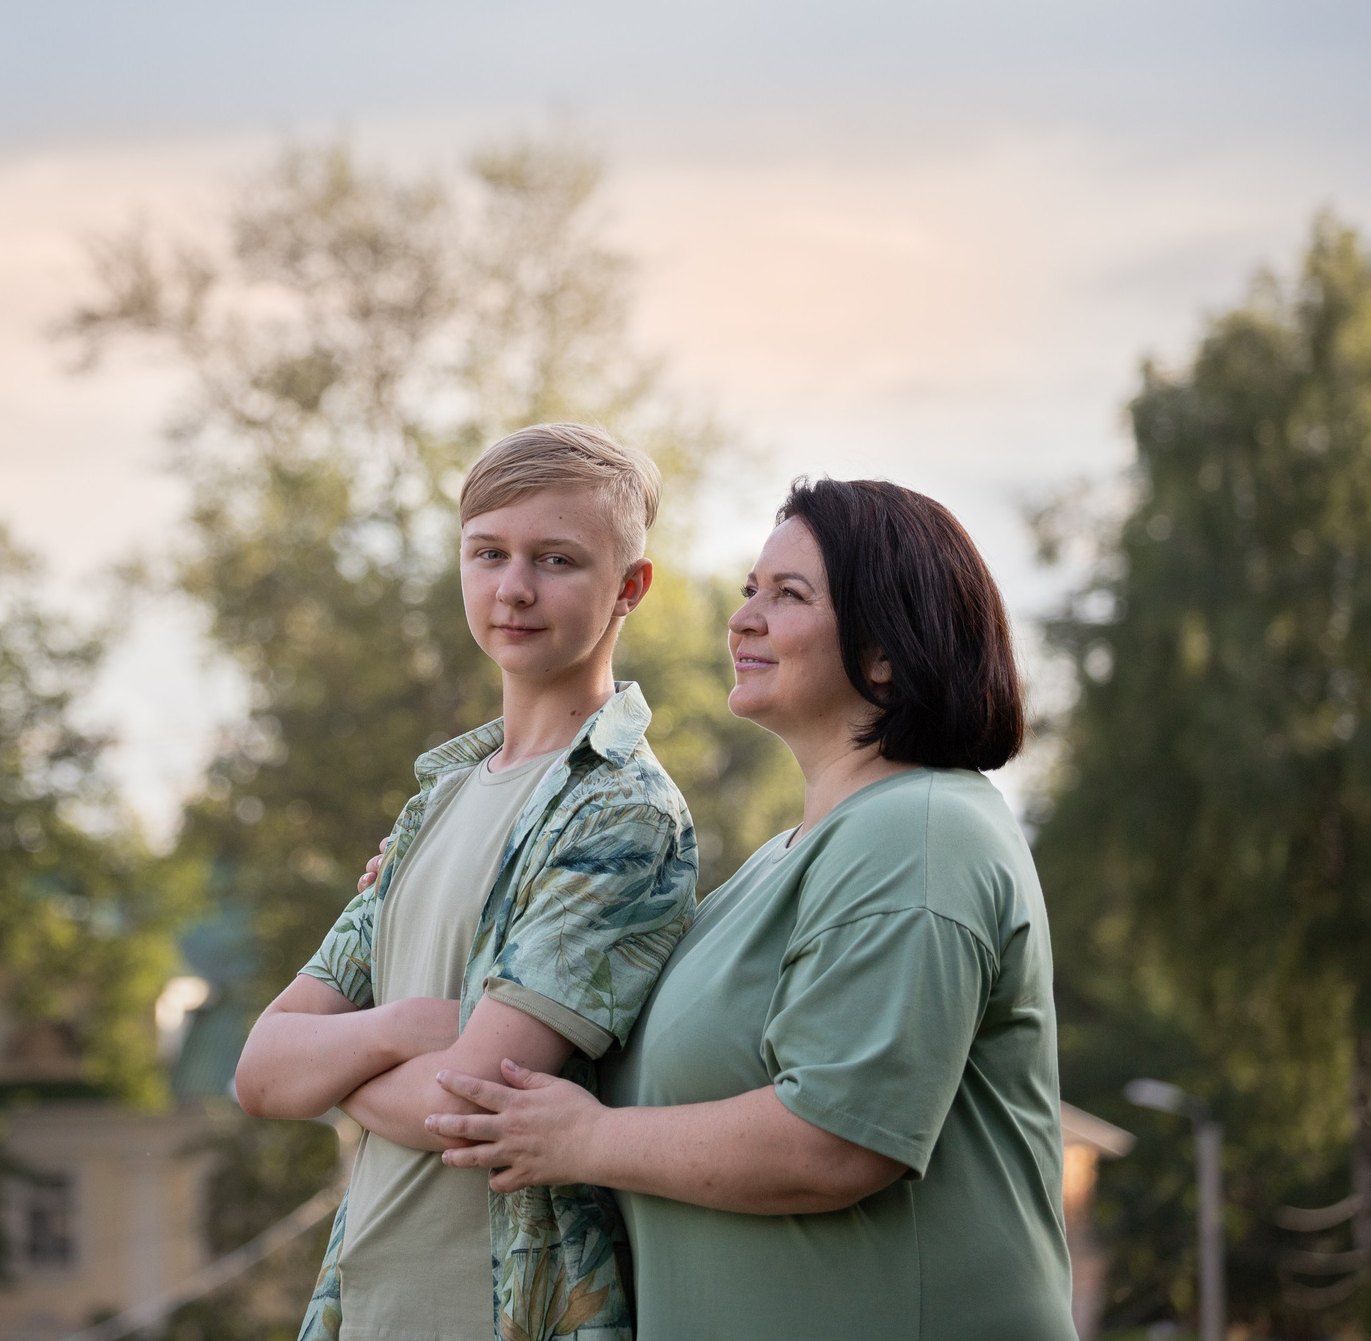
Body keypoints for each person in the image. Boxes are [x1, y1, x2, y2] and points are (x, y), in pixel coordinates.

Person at [422, 479, 1072, 1341]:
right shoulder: (782, 861)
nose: (743, 620)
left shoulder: (921, 832)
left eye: (788, 595)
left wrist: (582, 1142)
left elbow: (836, 1141)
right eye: (749, 592)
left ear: (884, 651)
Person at [231, 423, 700, 1341]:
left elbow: (466, 1101)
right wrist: (409, 1027)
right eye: (489, 552)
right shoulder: (434, 805)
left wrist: (340, 1067)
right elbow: (259, 1070)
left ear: (629, 587)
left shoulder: (619, 814)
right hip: (361, 1311)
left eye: (556, 559)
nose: (513, 588)